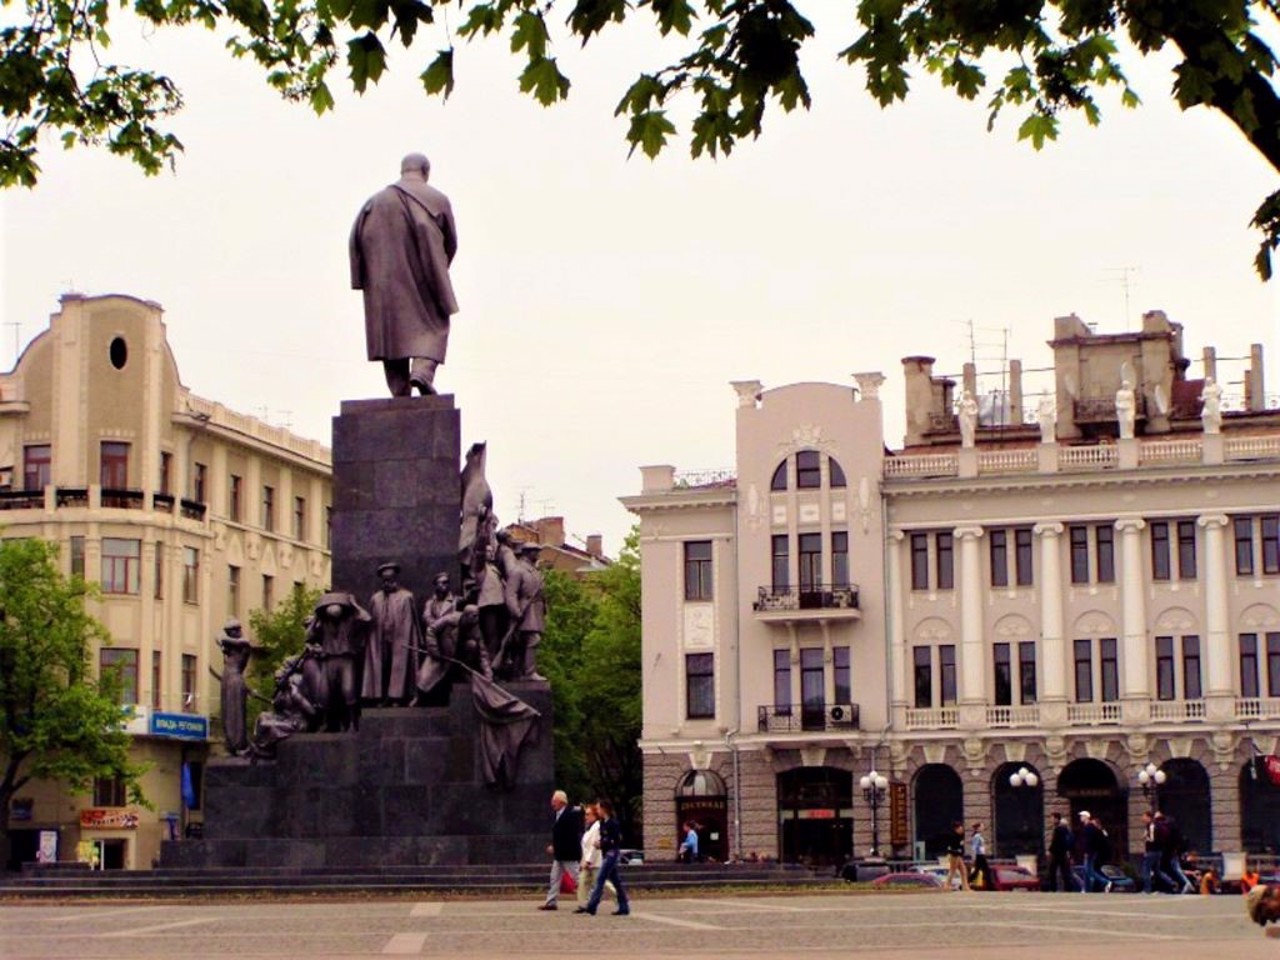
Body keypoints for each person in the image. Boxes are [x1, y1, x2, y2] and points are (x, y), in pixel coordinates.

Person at [350, 152, 459, 398]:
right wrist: (439, 269)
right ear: (426, 171)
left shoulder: (373, 202)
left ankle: (400, 391)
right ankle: (422, 371)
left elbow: (354, 239)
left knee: (391, 337)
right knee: (435, 324)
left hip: (382, 287)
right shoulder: (437, 199)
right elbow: (451, 243)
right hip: (423, 281)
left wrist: (361, 279)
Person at [305, 592, 372, 732]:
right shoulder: (323, 623)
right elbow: (308, 636)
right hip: (328, 660)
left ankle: (353, 723)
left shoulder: (349, 621)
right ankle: (325, 723)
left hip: (346, 659)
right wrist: (316, 616)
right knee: (324, 694)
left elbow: (367, 619)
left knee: (349, 691)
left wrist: (354, 604)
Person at [362, 561, 420, 706]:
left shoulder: (406, 597)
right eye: (385, 581)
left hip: (399, 638)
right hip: (380, 639)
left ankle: (397, 697)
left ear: (396, 580)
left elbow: (409, 624)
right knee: (382, 666)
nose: (387, 583)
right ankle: (381, 696)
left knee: (399, 665)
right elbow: (371, 621)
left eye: (390, 580)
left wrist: (404, 639)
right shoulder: (376, 598)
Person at [579, 798, 631, 916]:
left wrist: (602, 843)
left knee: (600, 879)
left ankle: (592, 905)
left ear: (604, 809)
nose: (597, 811)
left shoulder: (613, 823)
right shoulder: (602, 823)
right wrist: (600, 843)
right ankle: (624, 906)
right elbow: (604, 838)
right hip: (605, 853)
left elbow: (615, 839)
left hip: (612, 853)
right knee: (616, 882)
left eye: (598, 808)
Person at [503, 543, 546, 681]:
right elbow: (510, 594)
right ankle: (529, 672)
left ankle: (519, 672)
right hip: (525, 610)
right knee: (533, 639)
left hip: (535, 610)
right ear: (527, 553)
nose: (538, 554)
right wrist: (516, 611)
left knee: (523, 644)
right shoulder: (519, 570)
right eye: (535, 551)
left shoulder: (534, 570)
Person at [540, 790, 583, 911]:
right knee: (554, 878)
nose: (552, 803)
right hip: (560, 854)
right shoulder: (559, 814)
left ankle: (591, 897)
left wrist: (555, 847)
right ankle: (551, 902)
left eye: (554, 801)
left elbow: (569, 836)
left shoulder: (570, 814)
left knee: (577, 878)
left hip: (569, 853)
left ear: (562, 802)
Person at [215, 619, 252, 755]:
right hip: (227, 680)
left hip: (235, 681)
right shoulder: (231, 649)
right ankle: (231, 745)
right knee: (227, 713)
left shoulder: (244, 646)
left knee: (235, 713)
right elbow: (218, 638)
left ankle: (239, 745)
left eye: (236, 631)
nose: (238, 632)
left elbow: (240, 642)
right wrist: (224, 641)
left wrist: (225, 640)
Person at [578, 803, 615, 909]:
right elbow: (585, 847)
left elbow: (595, 846)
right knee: (582, 882)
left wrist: (588, 861)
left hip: (595, 862)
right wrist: (583, 861)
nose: (586, 817)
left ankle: (620, 897)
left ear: (595, 815)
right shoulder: (589, 828)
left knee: (602, 884)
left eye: (588, 814)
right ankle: (584, 904)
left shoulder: (597, 827)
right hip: (588, 861)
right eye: (585, 814)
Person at [1154, 811, 1195, 894]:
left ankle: (1176, 884)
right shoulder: (1172, 824)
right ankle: (1177, 885)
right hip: (1173, 850)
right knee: (1173, 868)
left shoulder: (1162, 826)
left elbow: (1161, 840)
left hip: (1167, 850)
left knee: (1163, 869)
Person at [1141, 810, 1176, 894]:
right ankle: (1172, 883)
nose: (1142, 818)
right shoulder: (1151, 825)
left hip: (1152, 851)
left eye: (1144, 816)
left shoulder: (1152, 826)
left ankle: (1147, 889)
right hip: (1158, 851)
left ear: (1148, 817)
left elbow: (1152, 839)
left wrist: (1145, 838)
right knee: (1157, 870)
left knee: (1145, 869)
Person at [1079, 811, 1111, 893]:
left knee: (1089, 871)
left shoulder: (1090, 827)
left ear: (1086, 817)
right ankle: (1086, 888)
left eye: (1082, 816)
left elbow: (1089, 841)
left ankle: (1105, 881)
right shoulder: (1088, 827)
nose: (1080, 818)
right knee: (1086, 870)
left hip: (1090, 852)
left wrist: (1087, 851)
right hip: (1091, 852)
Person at [1046, 811, 1075, 892]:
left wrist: (1050, 851)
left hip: (1057, 853)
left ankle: (1053, 888)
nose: (1051, 820)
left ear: (1056, 819)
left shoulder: (1058, 829)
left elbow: (1055, 842)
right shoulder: (1064, 829)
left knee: (1052, 871)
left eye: (1052, 818)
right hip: (1063, 853)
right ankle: (1068, 888)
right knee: (1064, 871)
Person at [945, 821, 970, 892]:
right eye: (960, 828)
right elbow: (949, 848)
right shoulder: (952, 836)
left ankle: (965, 887)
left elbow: (961, 845)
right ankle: (947, 885)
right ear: (956, 829)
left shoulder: (960, 836)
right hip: (954, 855)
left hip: (958, 856)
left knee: (963, 870)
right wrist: (956, 851)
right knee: (953, 870)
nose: (962, 829)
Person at [970, 822, 995, 891]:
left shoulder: (979, 836)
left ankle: (966, 882)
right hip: (980, 856)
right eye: (981, 826)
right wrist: (973, 858)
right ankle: (991, 886)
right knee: (987, 870)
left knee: (977, 871)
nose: (983, 827)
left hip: (980, 855)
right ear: (978, 828)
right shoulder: (977, 836)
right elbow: (974, 848)